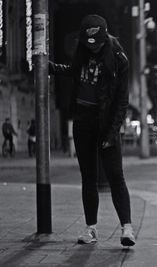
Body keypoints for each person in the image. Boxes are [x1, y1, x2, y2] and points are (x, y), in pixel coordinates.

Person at [49, 14, 135, 247]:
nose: (93, 48)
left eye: (97, 44)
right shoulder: (83, 50)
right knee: (88, 177)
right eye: (89, 44)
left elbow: (121, 101)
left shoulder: (119, 59)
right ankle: (91, 229)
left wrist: (111, 133)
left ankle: (127, 228)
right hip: (83, 120)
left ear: (105, 37)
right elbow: (75, 71)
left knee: (115, 175)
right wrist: (51, 68)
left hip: (106, 121)